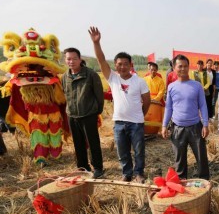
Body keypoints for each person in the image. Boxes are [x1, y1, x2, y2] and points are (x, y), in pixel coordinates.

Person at [88, 27, 151, 183]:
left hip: (136, 123)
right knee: (122, 152)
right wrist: (96, 43)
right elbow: (101, 60)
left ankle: (139, 173)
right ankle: (127, 173)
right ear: (115, 65)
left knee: (138, 151)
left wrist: (140, 114)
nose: (122, 66)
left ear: (131, 64)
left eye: (125, 64)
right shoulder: (113, 78)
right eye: (119, 64)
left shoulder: (139, 81)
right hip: (119, 123)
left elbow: (147, 100)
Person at [161, 55, 210, 180]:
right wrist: (164, 125)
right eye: (180, 66)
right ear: (174, 67)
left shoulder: (197, 85)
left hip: (195, 127)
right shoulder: (171, 87)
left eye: (185, 66)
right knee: (179, 161)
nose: (183, 69)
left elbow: (203, 105)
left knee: (201, 159)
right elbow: (169, 108)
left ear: (189, 67)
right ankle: (181, 184)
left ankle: (203, 183)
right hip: (177, 128)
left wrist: (205, 124)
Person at [61, 47, 105, 178]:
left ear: (80, 59)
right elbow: (65, 93)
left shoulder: (91, 75)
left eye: (75, 58)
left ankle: (98, 168)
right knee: (78, 143)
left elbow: (99, 96)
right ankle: (83, 167)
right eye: (69, 59)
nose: (71, 61)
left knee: (93, 143)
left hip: (88, 115)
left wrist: (96, 112)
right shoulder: (65, 77)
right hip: (72, 115)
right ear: (65, 60)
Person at [143, 62, 166, 134]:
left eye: (154, 70)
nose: (153, 71)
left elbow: (161, 91)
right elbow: (141, 90)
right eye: (151, 70)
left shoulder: (160, 80)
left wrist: (155, 100)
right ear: (149, 70)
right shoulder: (144, 79)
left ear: (157, 70)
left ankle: (156, 130)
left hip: (156, 102)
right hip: (146, 100)